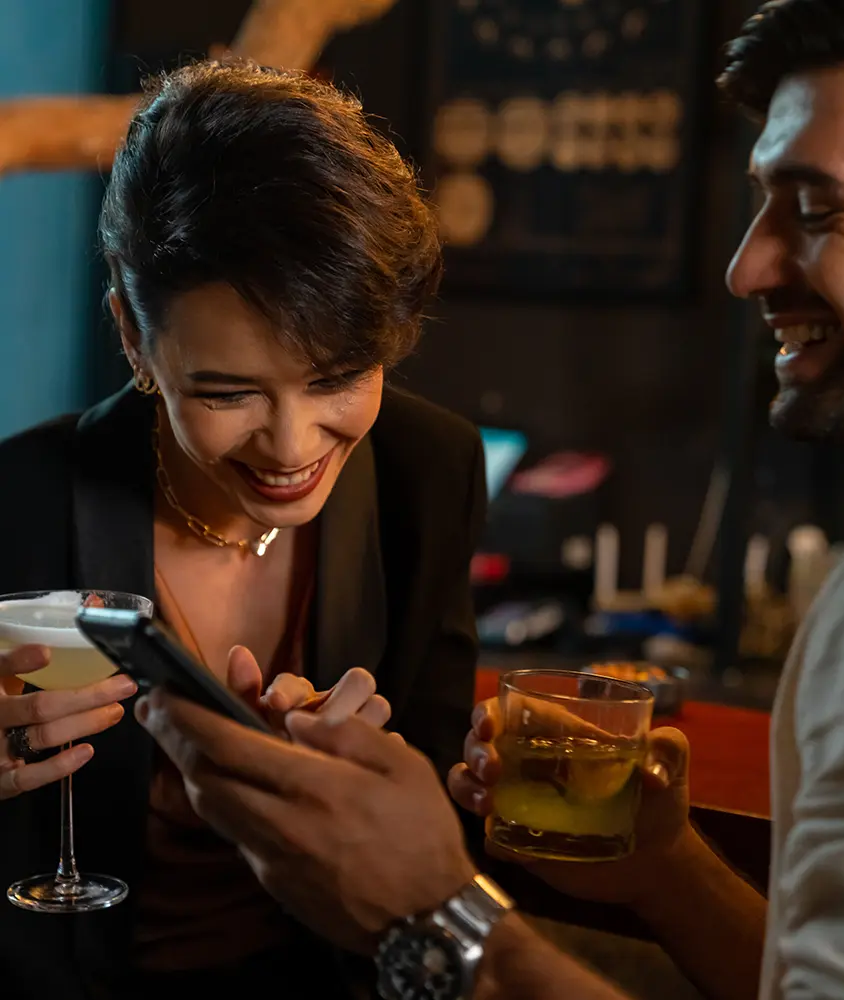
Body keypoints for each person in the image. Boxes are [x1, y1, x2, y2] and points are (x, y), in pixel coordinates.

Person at [128, 3, 844, 999]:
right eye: (761, 202)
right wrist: (666, 874)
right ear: (134, 339)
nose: (744, 265)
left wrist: (432, 913)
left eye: (813, 208)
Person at [0, 60, 486, 999]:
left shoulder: (429, 475)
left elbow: (443, 850)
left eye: (339, 377)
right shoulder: (17, 500)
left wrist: (379, 791)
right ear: (135, 341)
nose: (294, 446)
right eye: (227, 393)